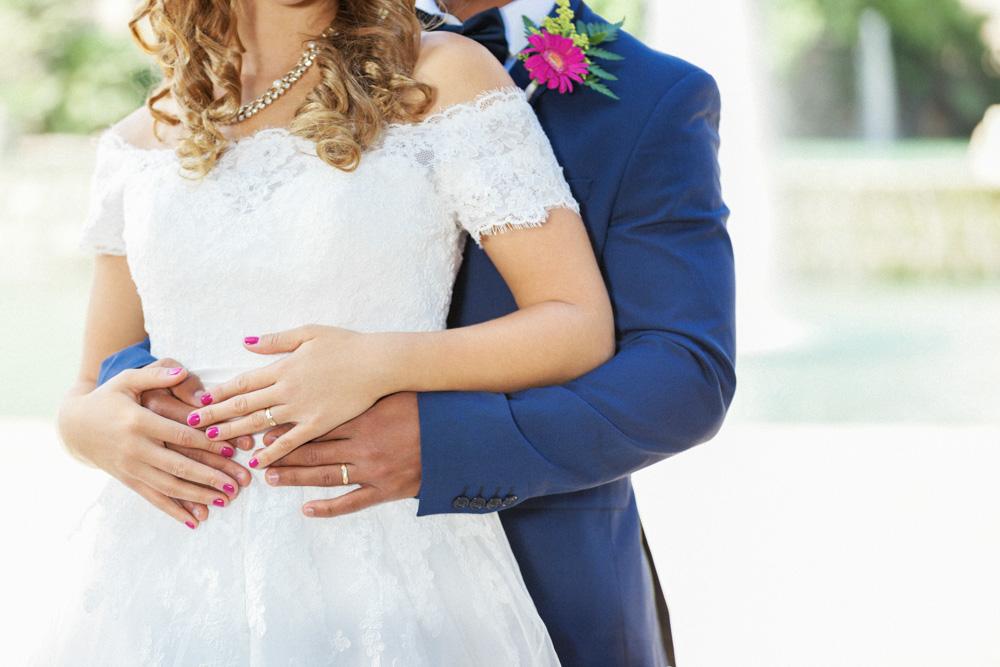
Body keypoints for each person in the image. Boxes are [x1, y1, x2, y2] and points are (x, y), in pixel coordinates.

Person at [94, 0, 736, 665]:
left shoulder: (646, 94)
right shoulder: (168, 119)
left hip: (510, 580)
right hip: (198, 557)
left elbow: (682, 374)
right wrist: (109, 416)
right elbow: (164, 328)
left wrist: (443, 439)